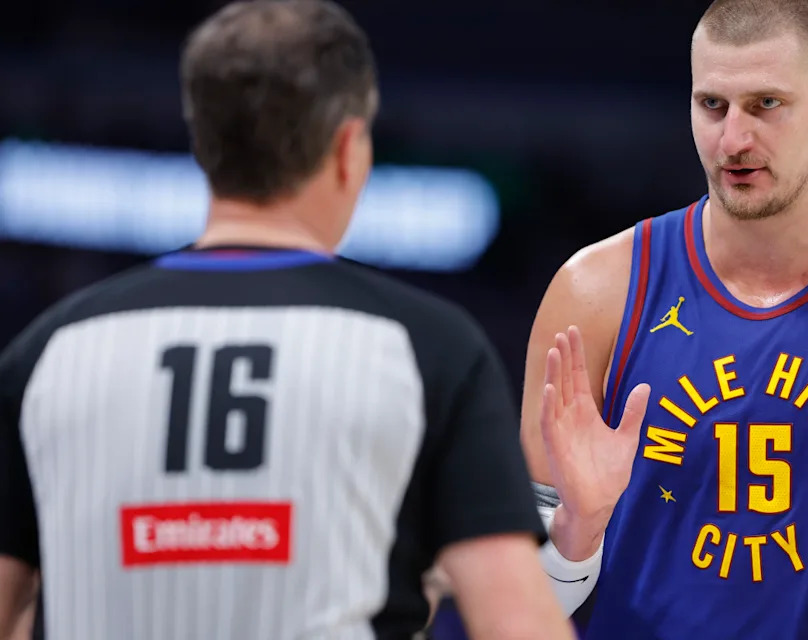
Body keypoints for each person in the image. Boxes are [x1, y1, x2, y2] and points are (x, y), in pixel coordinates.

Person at [0, 2, 576, 639]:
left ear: (204, 144)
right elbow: (517, 624)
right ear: (346, 149)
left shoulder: (46, 354)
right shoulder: (429, 352)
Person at [519, 0, 808, 638]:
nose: (734, 141)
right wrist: (578, 531)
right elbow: (513, 610)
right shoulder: (595, 291)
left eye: (766, 105)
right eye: (713, 106)